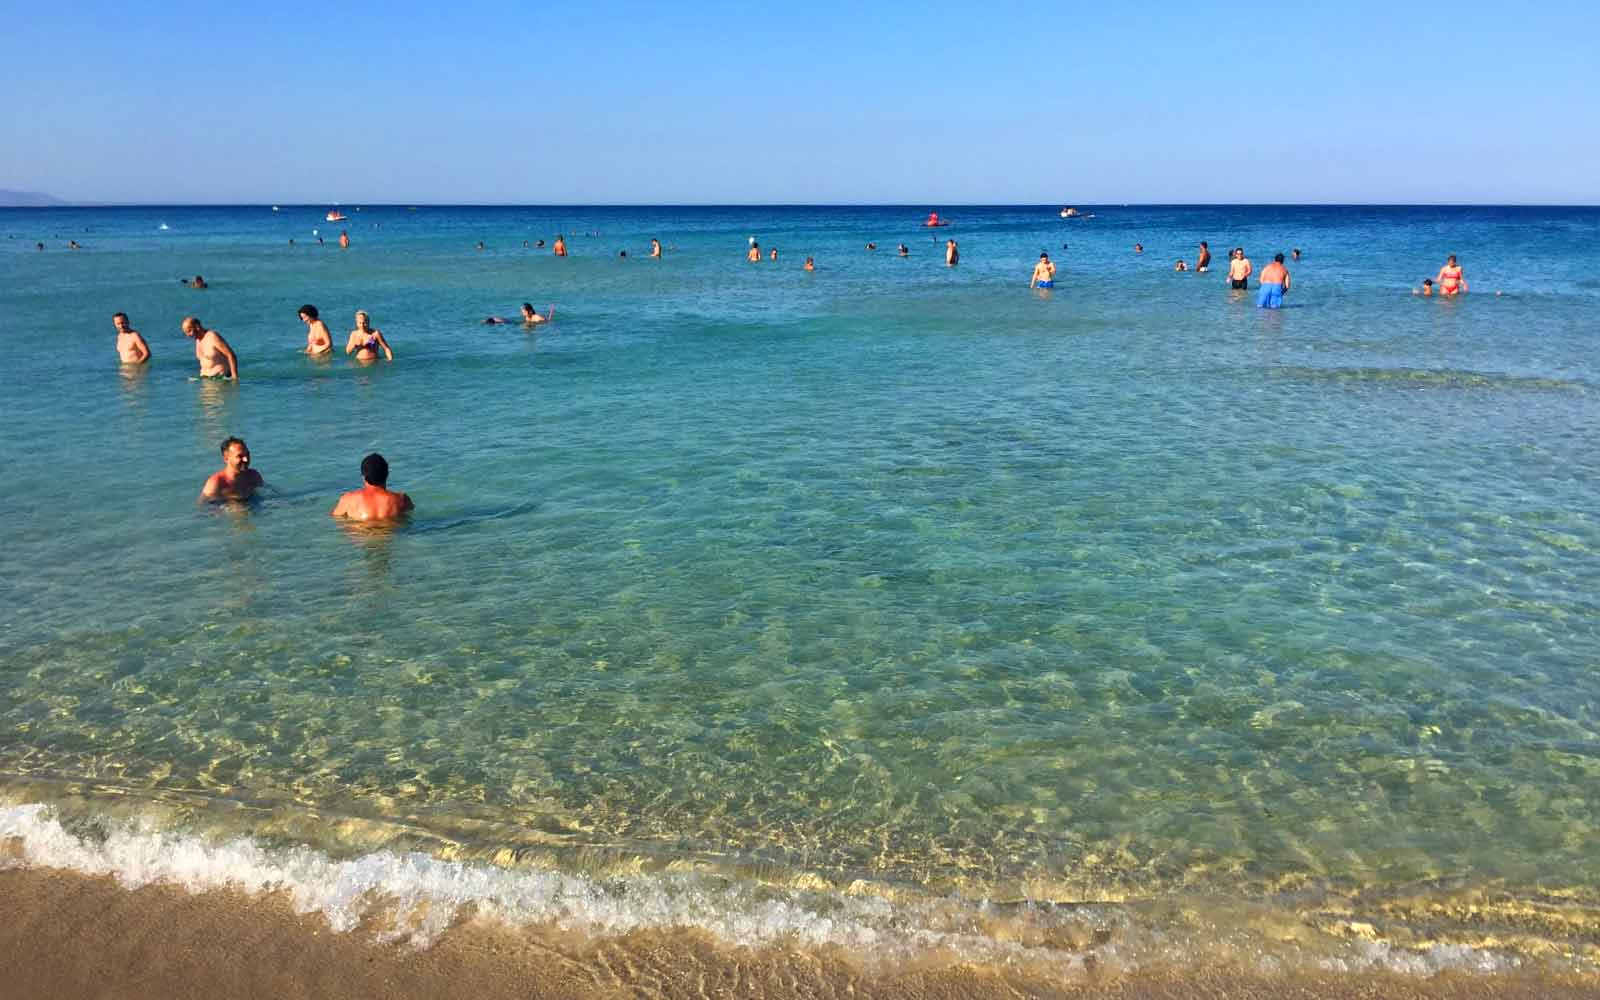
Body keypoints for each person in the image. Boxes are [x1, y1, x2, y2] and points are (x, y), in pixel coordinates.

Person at [331, 453, 414, 521]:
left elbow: (334, 518)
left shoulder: (348, 499)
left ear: (363, 476)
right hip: (390, 538)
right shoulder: (402, 499)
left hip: (360, 539)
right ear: (387, 474)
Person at [200, 437, 264, 501]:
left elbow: (266, 493)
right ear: (226, 459)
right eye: (240, 456)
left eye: (247, 454)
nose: (246, 459)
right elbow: (203, 507)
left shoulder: (253, 475)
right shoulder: (216, 483)